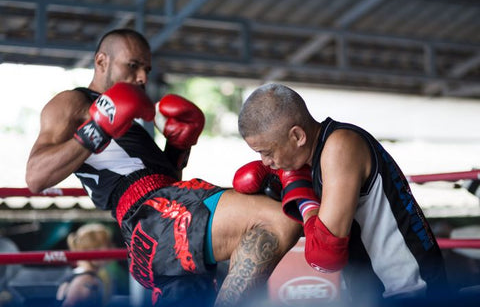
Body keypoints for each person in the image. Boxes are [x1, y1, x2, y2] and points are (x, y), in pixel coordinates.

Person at [25, 29, 301, 307]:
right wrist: (97, 128)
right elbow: (36, 176)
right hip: (152, 217)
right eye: (133, 66)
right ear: (101, 62)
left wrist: (178, 147)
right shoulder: (73, 102)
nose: (143, 77)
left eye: (146, 68)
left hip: (161, 226)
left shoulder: (130, 121)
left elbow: (164, 182)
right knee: (279, 218)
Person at [234, 83, 450, 306]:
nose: (265, 162)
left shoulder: (340, 146)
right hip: (375, 294)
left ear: (297, 136)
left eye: (266, 152)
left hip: (412, 291)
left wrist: (302, 197)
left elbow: (325, 256)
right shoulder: (314, 159)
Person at [56, 223, 113, 307]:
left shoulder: (78, 276)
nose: (111, 250)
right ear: (93, 249)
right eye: (107, 245)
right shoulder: (86, 280)